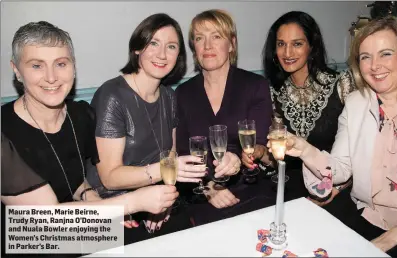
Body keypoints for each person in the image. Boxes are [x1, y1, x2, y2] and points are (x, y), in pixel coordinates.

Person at [268, 16, 397, 257]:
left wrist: (386, 241)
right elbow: (341, 169)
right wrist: (304, 149)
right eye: (365, 57)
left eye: (385, 54)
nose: (374, 65)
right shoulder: (357, 103)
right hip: (366, 217)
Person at [1, 21, 178, 254]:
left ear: (73, 66)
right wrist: (130, 203)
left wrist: (94, 199)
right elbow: (47, 223)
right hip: (32, 241)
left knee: (168, 241)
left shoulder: (79, 115)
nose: (51, 77)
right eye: (36, 66)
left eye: (61, 64)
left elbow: (74, 179)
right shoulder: (4, 131)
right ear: (16, 70)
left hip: (82, 232)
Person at [87, 13, 206, 235]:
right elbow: (109, 178)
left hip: (152, 198)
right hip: (113, 207)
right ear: (137, 48)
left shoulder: (169, 96)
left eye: (171, 47)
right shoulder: (112, 95)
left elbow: (169, 155)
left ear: (178, 55)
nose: (162, 54)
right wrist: (160, 175)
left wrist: (162, 202)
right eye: (153, 43)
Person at [244, 11, 355, 206]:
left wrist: (335, 190)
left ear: (312, 46)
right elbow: (278, 160)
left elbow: (360, 151)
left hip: (339, 189)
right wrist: (261, 153)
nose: (287, 53)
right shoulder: (272, 93)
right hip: (291, 190)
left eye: (297, 44)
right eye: (281, 44)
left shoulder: (342, 84)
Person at [175, 9, 272, 216]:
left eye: (216, 36)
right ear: (194, 47)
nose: (207, 45)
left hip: (250, 188)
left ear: (232, 44)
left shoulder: (255, 86)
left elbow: (260, 145)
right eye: (200, 38)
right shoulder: (183, 93)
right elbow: (182, 153)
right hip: (201, 192)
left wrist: (240, 158)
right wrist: (210, 188)